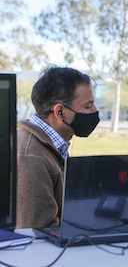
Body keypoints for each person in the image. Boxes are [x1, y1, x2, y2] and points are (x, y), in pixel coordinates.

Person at [16, 66, 100, 228]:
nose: (95, 111)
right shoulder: (31, 157)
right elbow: (37, 232)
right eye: (88, 105)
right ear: (59, 111)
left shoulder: (52, 143)